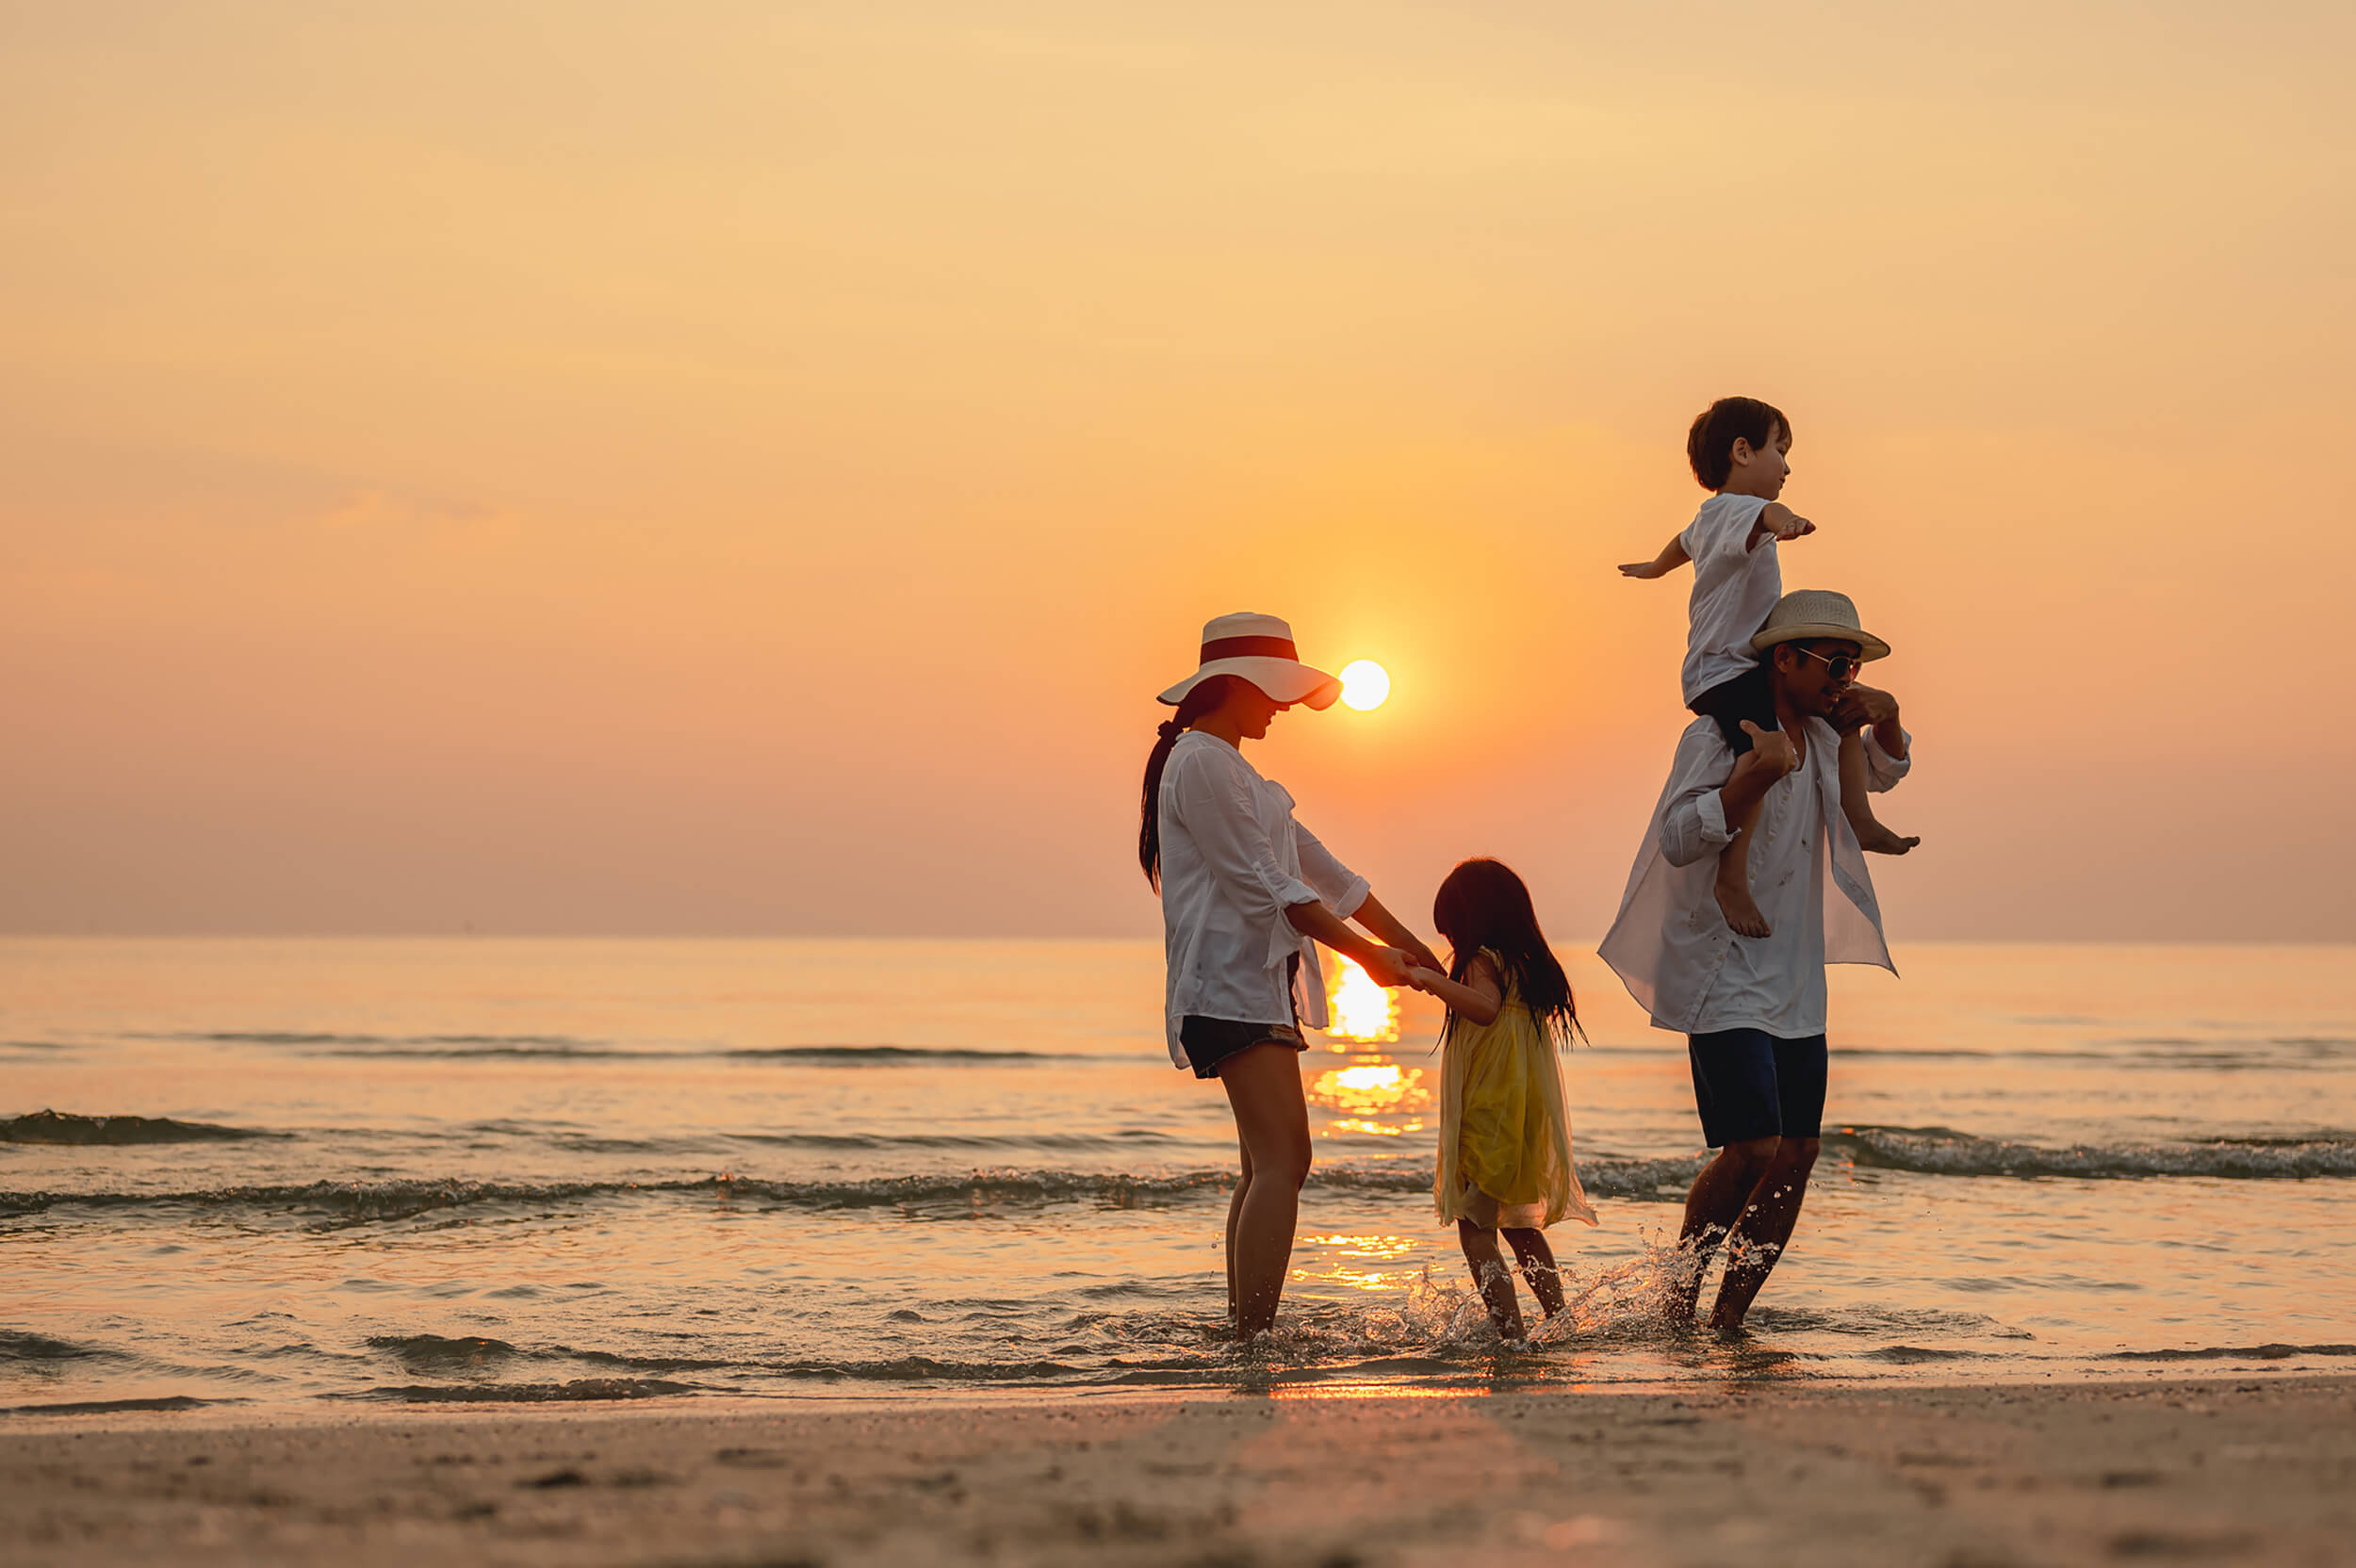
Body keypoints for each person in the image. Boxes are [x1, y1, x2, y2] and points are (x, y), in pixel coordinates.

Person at [1597, 589, 1913, 1331]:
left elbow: (1885, 771)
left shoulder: (1826, 738)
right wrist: (1750, 776)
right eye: (1835, 663)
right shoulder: (1719, 736)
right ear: (1785, 658)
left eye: (1854, 665)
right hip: (1723, 969)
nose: (1845, 677)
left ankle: (1728, 1320)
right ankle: (1677, 1300)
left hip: (1797, 979)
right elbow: (1679, 838)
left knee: (1798, 1151)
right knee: (1752, 1146)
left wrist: (1888, 712)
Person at [1141, 612, 1442, 1339]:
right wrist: (1369, 960)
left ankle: (1243, 1332)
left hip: (1255, 985)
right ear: (1235, 684)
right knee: (1285, 1160)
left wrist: (1420, 950)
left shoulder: (1239, 773)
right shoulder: (1203, 762)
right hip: (1228, 987)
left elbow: (1328, 874)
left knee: (1265, 1166)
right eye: (1274, 690)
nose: (1282, 706)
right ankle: (1252, 1337)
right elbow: (1267, 885)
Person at [1619, 397, 1918, 939]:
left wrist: (1653, 568)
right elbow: (1768, 515)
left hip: (1734, 667)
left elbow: (1679, 546)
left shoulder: (1708, 523)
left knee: (1844, 717)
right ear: (1741, 452)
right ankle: (1731, 877)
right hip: (1726, 671)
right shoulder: (1735, 511)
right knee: (1763, 756)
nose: (1786, 465)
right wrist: (1790, 522)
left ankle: (1860, 817)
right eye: (1779, 450)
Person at [1404, 858, 1596, 1340]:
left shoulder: (1481, 961)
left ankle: (1509, 1333)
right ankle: (1560, 1321)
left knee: (1475, 1225)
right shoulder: (1527, 968)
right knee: (1520, 1228)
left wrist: (1430, 981)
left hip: (1489, 1113)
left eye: (1451, 932)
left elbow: (1486, 1010)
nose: (1451, 945)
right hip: (1522, 1115)